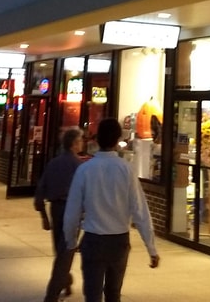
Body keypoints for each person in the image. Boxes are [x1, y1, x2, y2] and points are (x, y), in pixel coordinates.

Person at [63, 118, 159, 302]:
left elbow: (72, 211)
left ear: (97, 139)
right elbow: (140, 210)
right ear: (117, 140)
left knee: (92, 295)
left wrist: (70, 241)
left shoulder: (85, 170)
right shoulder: (127, 170)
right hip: (119, 241)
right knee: (114, 294)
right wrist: (151, 248)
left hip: (93, 239)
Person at [35, 127, 85, 301]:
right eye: (80, 140)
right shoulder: (79, 166)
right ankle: (52, 294)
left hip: (55, 210)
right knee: (66, 252)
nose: (82, 143)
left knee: (61, 250)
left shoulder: (53, 164)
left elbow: (41, 189)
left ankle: (66, 280)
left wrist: (43, 215)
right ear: (73, 144)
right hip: (71, 211)